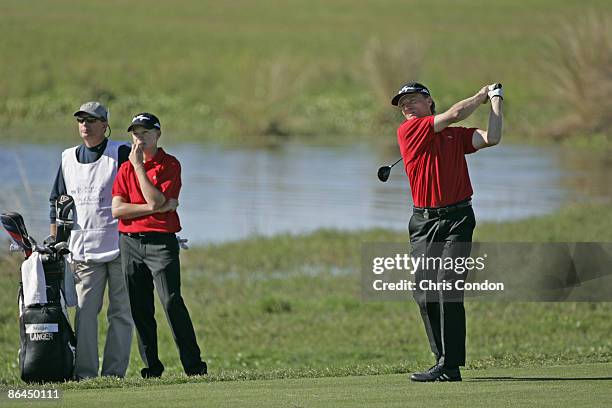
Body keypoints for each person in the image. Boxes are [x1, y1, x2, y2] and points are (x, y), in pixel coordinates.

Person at [391, 82, 503, 382]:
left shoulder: (455, 135)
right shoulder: (409, 131)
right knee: (424, 291)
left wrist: (495, 101)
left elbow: (492, 138)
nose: (407, 107)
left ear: (429, 102)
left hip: (457, 219)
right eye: (403, 104)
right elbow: (454, 113)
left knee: (448, 286)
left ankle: (449, 365)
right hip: (423, 222)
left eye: (413, 100)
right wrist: (480, 96)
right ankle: (441, 357)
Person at [111, 112, 207, 378]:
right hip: (129, 242)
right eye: (135, 133)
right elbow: (117, 210)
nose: (139, 138)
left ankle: (194, 367)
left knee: (171, 301)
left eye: (145, 133)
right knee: (139, 307)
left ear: (158, 134)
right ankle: (152, 368)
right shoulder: (124, 168)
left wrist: (141, 169)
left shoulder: (169, 164)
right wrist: (155, 206)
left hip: (161, 243)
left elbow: (156, 201)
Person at [49, 101, 133, 379]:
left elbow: (138, 188)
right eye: (81, 120)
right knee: (84, 314)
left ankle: (114, 375)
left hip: (122, 245)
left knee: (121, 313)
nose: (85, 125)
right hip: (83, 250)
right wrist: (56, 243)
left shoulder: (121, 152)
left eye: (92, 120)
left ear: (105, 125)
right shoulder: (67, 158)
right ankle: (84, 374)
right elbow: (57, 204)